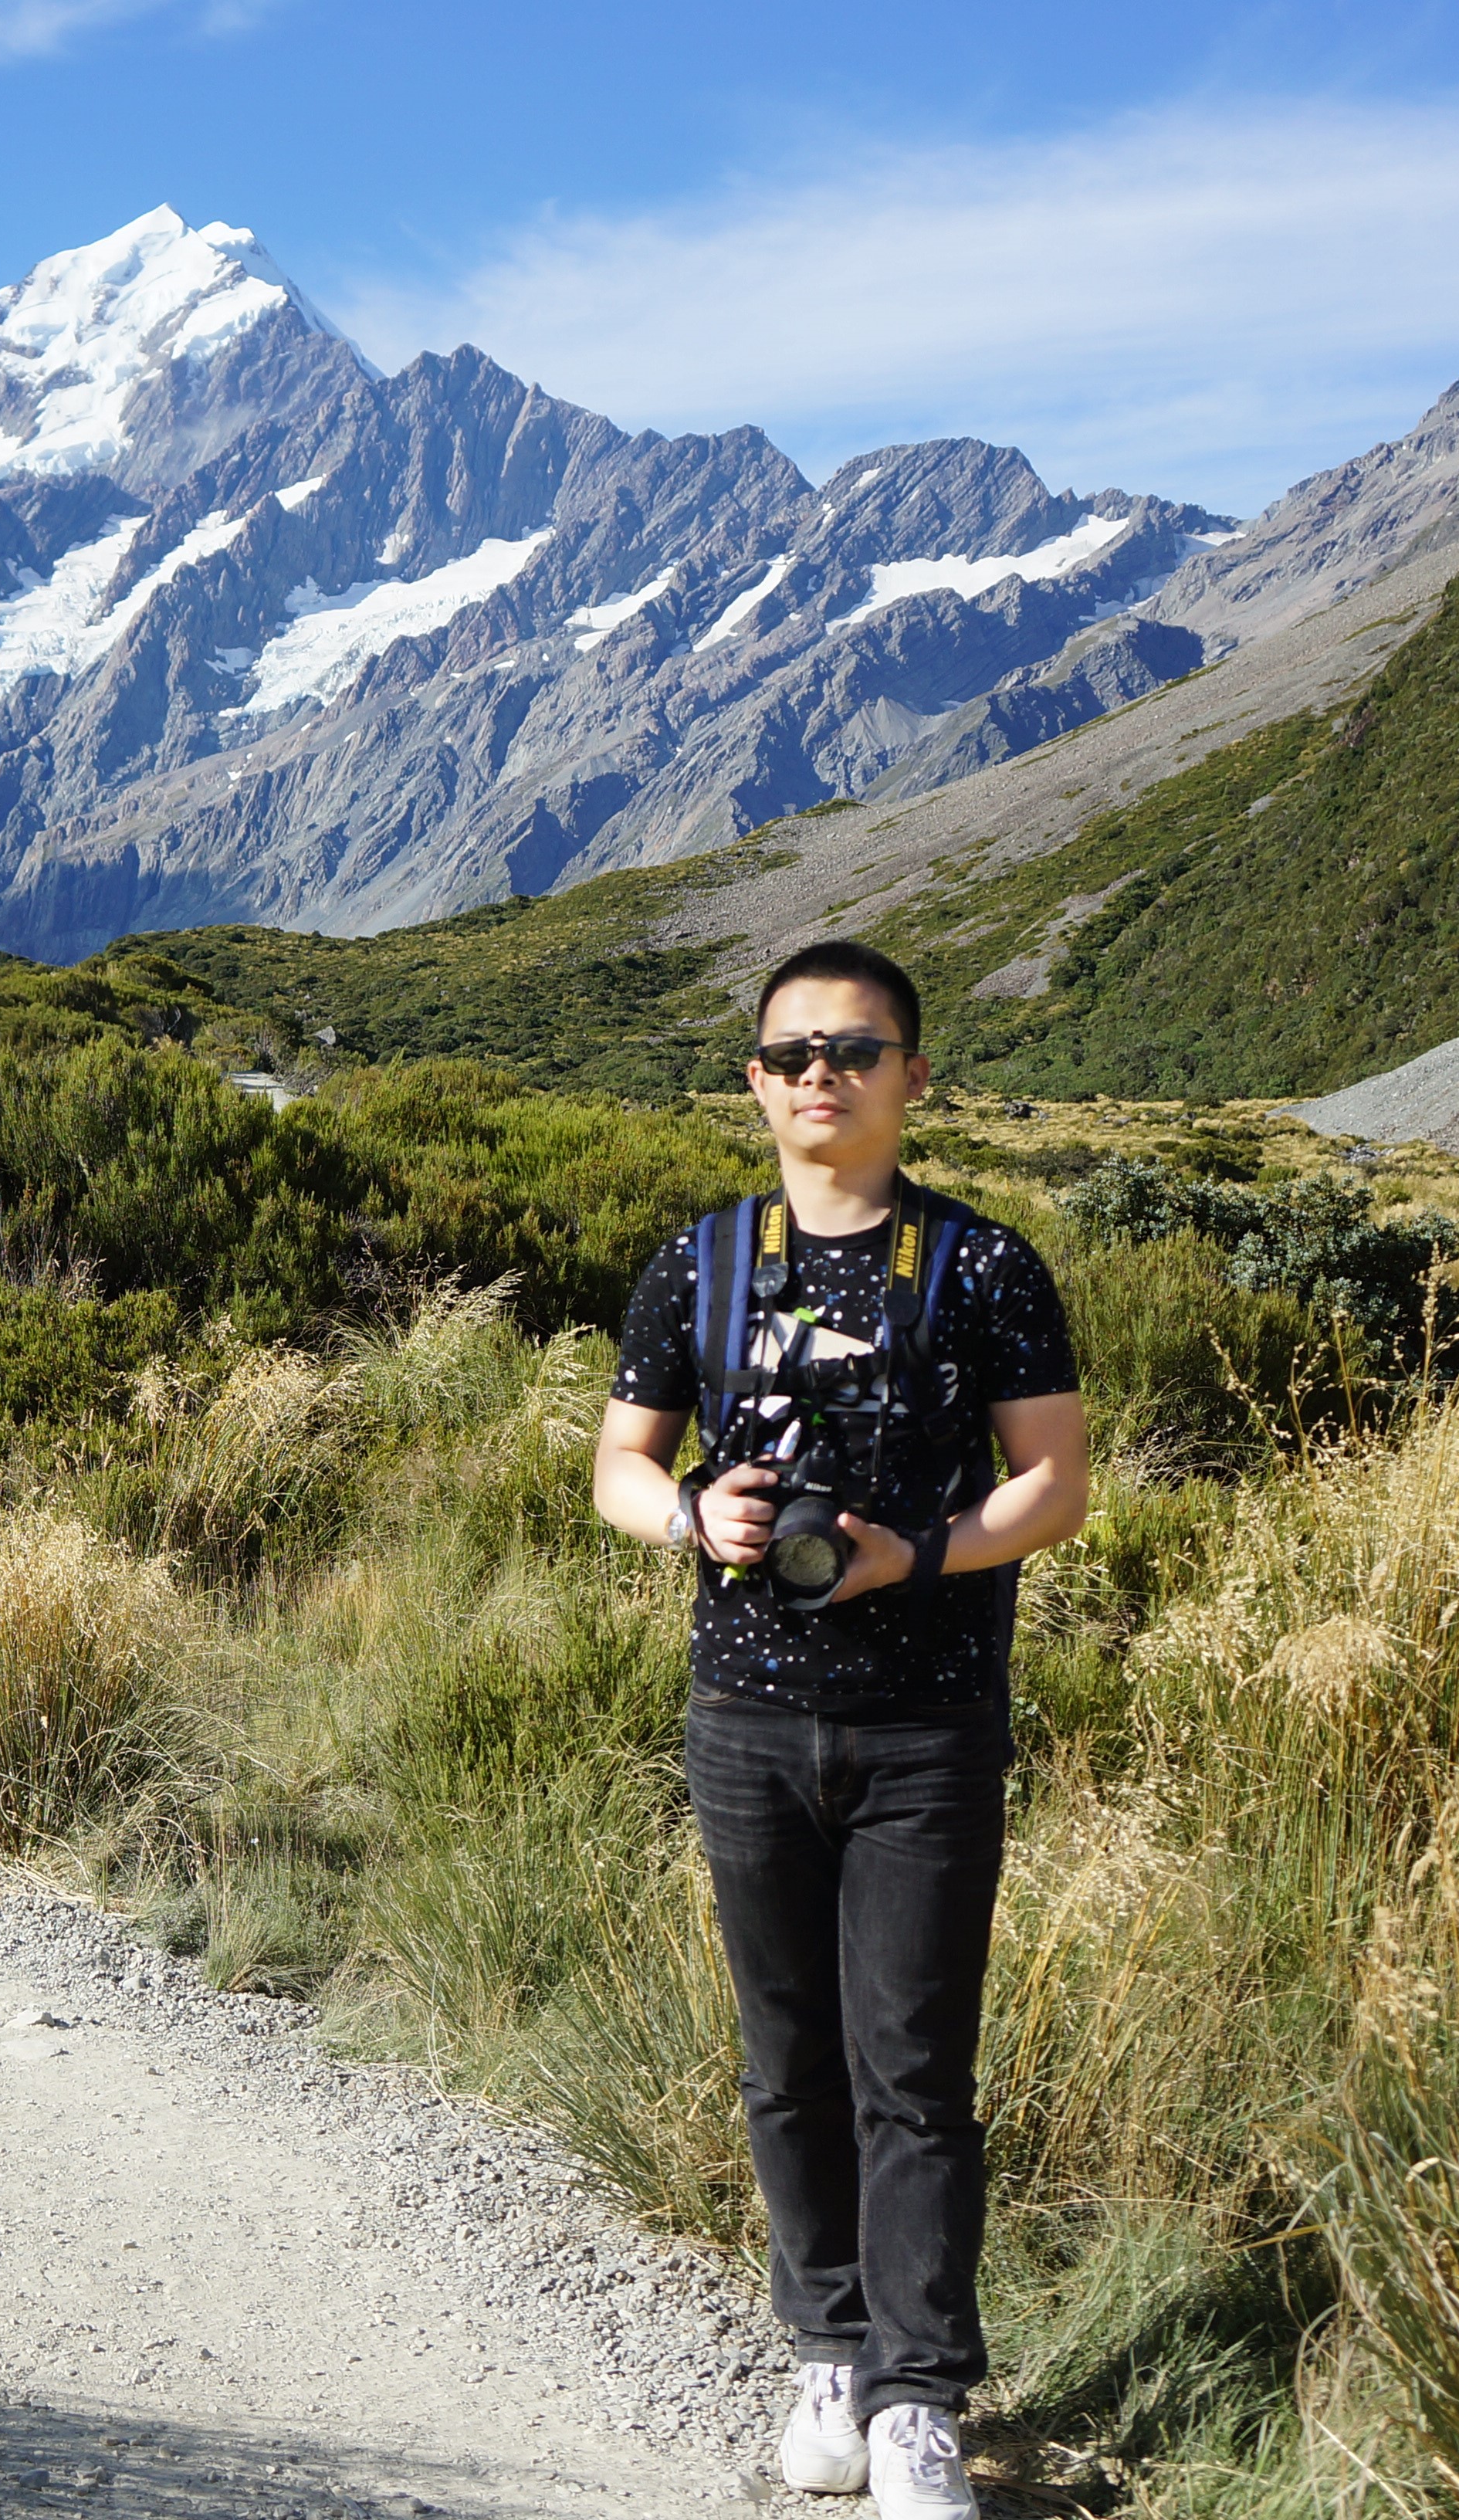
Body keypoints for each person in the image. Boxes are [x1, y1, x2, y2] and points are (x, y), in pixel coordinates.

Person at [589, 940, 1088, 2520]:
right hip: (743, 1720)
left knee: (911, 2067)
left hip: (927, 1726)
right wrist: (688, 1518)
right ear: (752, 1080)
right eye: (792, 1051)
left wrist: (917, 1553)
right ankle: (825, 2347)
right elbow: (612, 1464)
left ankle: (915, 2397)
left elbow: (1054, 1488)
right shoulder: (700, 1265)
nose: (821, 1075)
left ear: (909, 1079)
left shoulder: (986, 1269)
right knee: (785, 2055)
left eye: (854, 1050)